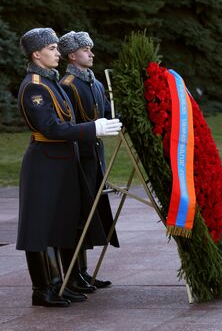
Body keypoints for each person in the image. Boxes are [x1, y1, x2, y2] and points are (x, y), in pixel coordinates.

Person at [17, 28, 122, 307]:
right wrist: (92, 129)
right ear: (36, 54)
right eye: (52, 49)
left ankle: (60, 284)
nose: (57, 53)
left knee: (57, 224)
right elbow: (51, 127)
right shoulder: (35, 85)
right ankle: (43, 289)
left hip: (60, 161)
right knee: (39, 227)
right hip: (44, 162)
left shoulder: (51, 83)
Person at [58, 31, 119, 292]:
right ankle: (72, 275)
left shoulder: (94, 82)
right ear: (72, 55)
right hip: (77, 157)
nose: (91, 53)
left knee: (90, 214)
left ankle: (81, 273)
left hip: (94, 156)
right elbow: (68, 125)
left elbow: (105, 113)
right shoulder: (68, 84)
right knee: (77, 216)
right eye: (86, 49)